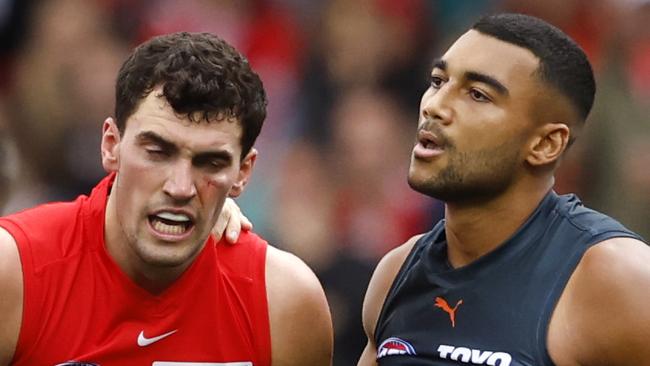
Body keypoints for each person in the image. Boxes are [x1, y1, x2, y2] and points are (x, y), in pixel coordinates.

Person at [0, 32, 332, 365]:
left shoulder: (284, 302)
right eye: (158, 152)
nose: (180, 187)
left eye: (210, 162)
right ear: (111, 145)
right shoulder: (13, 274)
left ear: (243, 173)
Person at [357, 13, 650, 365]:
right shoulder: (396, 274)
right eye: (437, 81)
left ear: (545, 144)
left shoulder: (616, 281)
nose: (434, 106)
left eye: (477, 95)